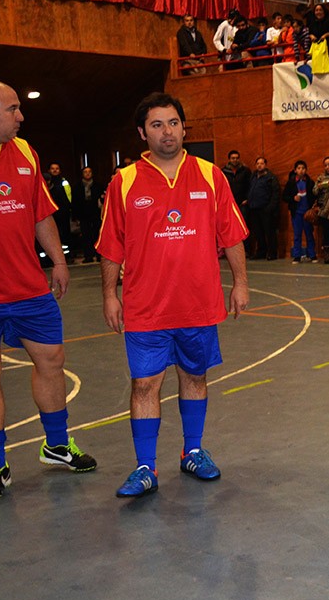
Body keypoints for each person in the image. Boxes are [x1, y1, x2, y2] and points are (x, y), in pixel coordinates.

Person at [97, 92, 249, 499]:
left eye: (174, 123)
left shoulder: (210, 175)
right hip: (146, 307)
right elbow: (111, 245)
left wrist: (241, 282)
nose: (167, 132)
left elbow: (230, 234)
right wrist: (110, 295)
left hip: (198, 303)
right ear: (142, 133)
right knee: (145, 384)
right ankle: (145, 467)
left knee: (195, 376)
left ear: (184, 127)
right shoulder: (124, 181)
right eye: (157, 125)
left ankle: (193, 450)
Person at [0, 80, 97, 501]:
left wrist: (58, 261)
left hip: (28, 288)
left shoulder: (25, 152)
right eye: (13, 109)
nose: (21, 116)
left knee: (51, 360)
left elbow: (40, 212)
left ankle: (57, 445)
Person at [245, 156, 280, 261]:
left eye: (262, 163)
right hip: (254, 209)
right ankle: (261, 252)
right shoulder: (253, 176)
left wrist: (270, 208)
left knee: (269, 233)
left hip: (266, 209)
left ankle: (272, 253)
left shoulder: (271, 178)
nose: (259, 165)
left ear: (266, 165)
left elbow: (275, 194)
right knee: (258, 233)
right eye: (258, 164)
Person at [283, 160, 318, 263]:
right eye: (298, 168)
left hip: (307, 213)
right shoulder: (291, 182)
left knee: (309, 234)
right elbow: (284, 197)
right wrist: (293, 198)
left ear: (306, 170)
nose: (301, 170)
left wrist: (314, 208)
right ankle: (297, 256)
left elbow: (315, 196)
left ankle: (312, 254)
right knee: (297, 235)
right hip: (296, 213)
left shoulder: (310, 182)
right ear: (295, 170)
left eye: (303, 168)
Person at [74, 165, 105, 264]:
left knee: (97, 234)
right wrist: (76, 216)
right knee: (86, 235)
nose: (87, 174)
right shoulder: (77, 187)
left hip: (95, 213)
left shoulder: (98, 186)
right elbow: (74, 202)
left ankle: (99, 254)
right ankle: (88, 255)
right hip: (83, 214)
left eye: (89, 172)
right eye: (85, 172)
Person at [45, 162, 73, 259]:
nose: (55, 170)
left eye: (57, 168)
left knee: (65, 235)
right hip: (50, 214)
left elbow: (69, 196)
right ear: (49, 170)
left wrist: (69, 209)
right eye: (52, 168)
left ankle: (67, 255)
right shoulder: (45, 182)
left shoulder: (63, 182)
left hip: (63, 213)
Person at [222, 150, 251, 214]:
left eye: (237, 158)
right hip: (229, 202)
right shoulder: (224, 171)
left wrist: (247, 198)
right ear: (229, 159)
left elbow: (250, 185)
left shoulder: (245, 170)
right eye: (233, 158)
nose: (235, 160)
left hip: (242, 203)